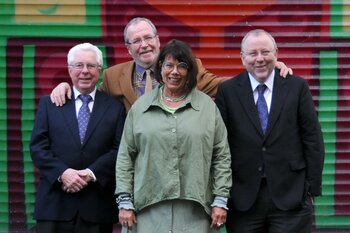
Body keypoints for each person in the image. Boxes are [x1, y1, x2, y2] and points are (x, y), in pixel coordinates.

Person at [49, 17, 292, 112]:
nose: (144, 45)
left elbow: (226, 86)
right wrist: (66, 87)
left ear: (157, 40)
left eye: (148, 38)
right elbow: (91, 99)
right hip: (135, 164)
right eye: (136, 41)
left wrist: (263, 70)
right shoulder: (113, 76)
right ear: (128, 48)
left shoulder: (188, 66)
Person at [115, 39, 232, 233]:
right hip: (147, 210)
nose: (175, 72)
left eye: (182, 66)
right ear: (160, 68)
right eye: (169, 65)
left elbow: (221, 156)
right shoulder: (140, 107)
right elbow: (125, 157)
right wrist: (124, 201)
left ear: (190, 71)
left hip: (196, 211)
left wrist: (220, 199)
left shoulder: (207, 107)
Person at [215, 29, 325, 233]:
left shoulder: (297, 86)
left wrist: (311, 189)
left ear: (276, 53)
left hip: (291, 197)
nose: (259, 59)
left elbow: (312, 139)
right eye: (252, 53)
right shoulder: (228, 91)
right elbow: (220, 145)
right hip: (244, 199)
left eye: (265, 52)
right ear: (242, 58)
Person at [30, 43, 125, 233]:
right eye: (79, 65)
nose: (85, 71)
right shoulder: (50, 103)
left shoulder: (115, 107)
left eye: (91, 66)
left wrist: (90, 173)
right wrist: (63, 173)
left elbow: (119, 149)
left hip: (96, 208)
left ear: (99, 70)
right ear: (69, 69)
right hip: (54, 206)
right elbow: (38, 147)